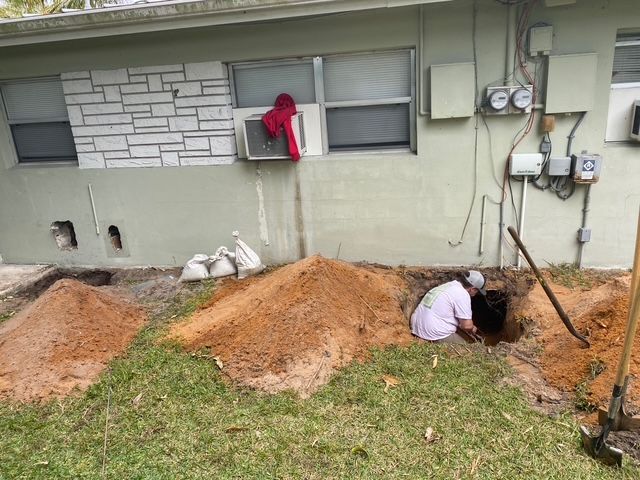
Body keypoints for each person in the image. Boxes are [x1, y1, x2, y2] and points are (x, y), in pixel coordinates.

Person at [410, 270, 487, 344]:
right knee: (468, 349)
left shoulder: (449, 285)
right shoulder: (462, 294)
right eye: (477, 291)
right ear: (472, 289)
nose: (476, 294)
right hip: (432, 332)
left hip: (416, 326)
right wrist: (472, 328)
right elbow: (466, 326)